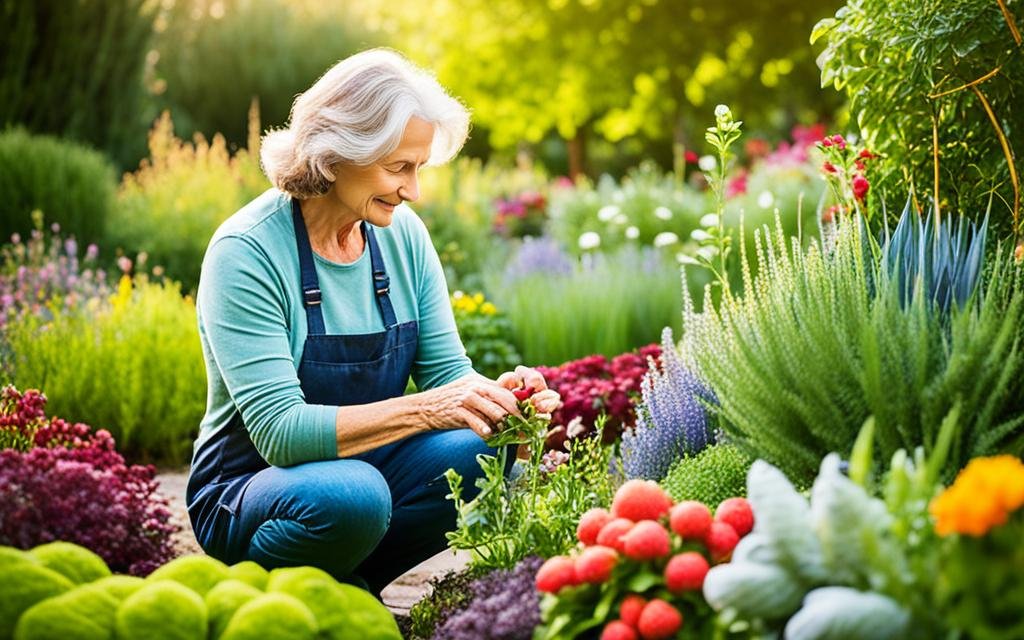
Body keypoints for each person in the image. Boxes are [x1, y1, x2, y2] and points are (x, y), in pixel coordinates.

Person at [185, 48, 560, 595]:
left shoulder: (402, 235)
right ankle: (273, 588)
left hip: (363, 472)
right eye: (398, 168)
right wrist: (429, 409)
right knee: (353, 496)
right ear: (337, 154)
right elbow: (280, 434)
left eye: (418, 168)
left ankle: (347, 589)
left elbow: (447, 379)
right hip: (248, 490)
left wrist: (499, 401)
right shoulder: (247, 252)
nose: (414, 191)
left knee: (489, 443)